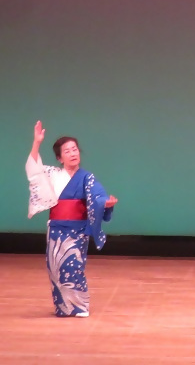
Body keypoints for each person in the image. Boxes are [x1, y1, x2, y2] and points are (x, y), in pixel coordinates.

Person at [25, 120, 118, 317]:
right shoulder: (52, 174)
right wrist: (37, 142)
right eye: (67, 151)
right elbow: (34, 169)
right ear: (60, 158)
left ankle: (79, 306)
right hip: (56, 228)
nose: (73, 153)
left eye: (75, 149)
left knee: (74, 266)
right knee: (55, 269)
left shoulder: (86, 177)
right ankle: (63, 307)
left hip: (77, 229)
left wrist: (105, 203)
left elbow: (98, 196)